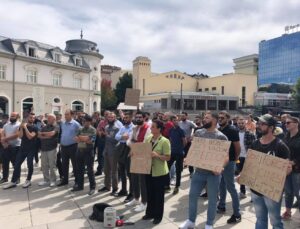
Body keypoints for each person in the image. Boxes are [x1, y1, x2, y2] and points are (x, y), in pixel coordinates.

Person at [240, 114, 291, 229]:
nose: (259, 126)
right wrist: (242, 174)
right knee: (260, 219)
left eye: (263, 124)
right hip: (256, 190)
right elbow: (249, 164)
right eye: (258, 123)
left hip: (271, 192)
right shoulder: (255, 143)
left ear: (271, 127)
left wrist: (287, 170)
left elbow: (286, 169)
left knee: (275, 222)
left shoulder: (281, 146)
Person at [179, 111, 228, 229]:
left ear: (215, 120)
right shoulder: (199, 132)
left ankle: (209, 224)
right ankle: (191, 221)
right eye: (204, 117)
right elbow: (194, 149)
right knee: (192, 196)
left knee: (212, 199)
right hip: (199, 172)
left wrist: (220, 167)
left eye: (207, 118)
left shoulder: (221, 137)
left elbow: (226, 157)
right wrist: (188, 158)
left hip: (213, 175)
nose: (204, 119)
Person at [142, 119, 171, 225]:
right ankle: (150, 213)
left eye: (153, 127)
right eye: (151, 126)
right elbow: (143, 150)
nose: (151, 128)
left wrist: (157, 155)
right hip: (148, 170)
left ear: (159, 129)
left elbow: (168, 157)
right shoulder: (149, 138)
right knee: (149, 193)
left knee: (158, 195)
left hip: (159, 173)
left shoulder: (165, 141)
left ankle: (158, 216)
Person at [217, 111, 242, 224]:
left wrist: (235, 160)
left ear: (227, 118)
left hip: (230, 161)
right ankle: (222, 205)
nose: (220, 119)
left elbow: (237, 147)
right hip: (220, 161)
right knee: (221, 184)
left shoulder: (232, 130)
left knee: (231, 187)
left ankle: (237, 214)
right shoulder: (219, 130)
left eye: (222, 117)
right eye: (219, 117)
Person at [3, 113, 38, 189]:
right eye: (30, 117)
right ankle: (13, 181)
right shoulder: (21, 126)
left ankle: (28, 180)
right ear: (27, 118)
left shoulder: (35, 127)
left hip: (31, 149)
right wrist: (21, 128)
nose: (32, 119)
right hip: (22, 148)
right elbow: (20, 136)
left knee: (29, 165)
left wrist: (25, 128)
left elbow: (30, 137)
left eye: (33, 118)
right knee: (17, 164)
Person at [126, 111, 151, 212]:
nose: (138, 119)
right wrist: (134, 143)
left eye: (140, 117)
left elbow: (145, 143)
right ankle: (136, 198)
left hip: (143, 157)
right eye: (137, 117)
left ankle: (144, 202)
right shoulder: (134, 128)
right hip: (134, 155)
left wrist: (134, 143)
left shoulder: (148, 128)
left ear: (144, 118)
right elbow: (128, 141)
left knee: (143, 181)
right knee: (134, 178)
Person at [282, 115, 300, 220]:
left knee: (297, 192)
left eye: (288, 123)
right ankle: (288, 212)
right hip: (286, 169)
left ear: (296, 124)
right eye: (285, 123)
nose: (286, 124)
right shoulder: (286, 136)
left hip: (297, 169)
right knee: (288, 192)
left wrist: (294, 162)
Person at [73, 115, 97, 195]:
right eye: (83, 121)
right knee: (79, 169)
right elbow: (75, 139)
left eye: (85, 121)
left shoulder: (93, 130)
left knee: (90, 170)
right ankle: (80, 186)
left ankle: (92, 187)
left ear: (89, 122)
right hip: (79, 151)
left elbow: (91, 141)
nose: (84, 122)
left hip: (88, 152)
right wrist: (85, 138)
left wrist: (81, 138)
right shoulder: (80, 129)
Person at [98, 112, 121, 195]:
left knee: (114, 171)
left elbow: (117, 140)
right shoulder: (107, 126)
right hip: (107, 150)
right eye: (109, 117)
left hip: (114, 151)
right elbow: (106, 139)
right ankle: (107, 186)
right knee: (106, 170)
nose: (110, 118)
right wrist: (103, 135)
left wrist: (106, 135)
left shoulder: (117, 128)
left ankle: (115, 188)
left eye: (112, 117)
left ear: (115, 118)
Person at [57, 109, 81, 187]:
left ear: (72, 115)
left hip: (73, 147)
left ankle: (77, 181)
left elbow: (80, 134)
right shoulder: (63, 124)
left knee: (75, 165)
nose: (65, 116)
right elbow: (61, 133)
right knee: (64, 164)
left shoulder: (76, 124)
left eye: (67, 114)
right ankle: (65, 180)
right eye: (65, 114)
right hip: (63, 147)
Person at [114, 112, 134, 202]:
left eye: (127, 118)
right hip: (121, 148)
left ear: (131, 118)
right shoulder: (122, 127)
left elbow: (130, 138)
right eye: (124, 118)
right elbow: (116, 137)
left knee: (129, 173)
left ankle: (132, 193)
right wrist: (123, 136)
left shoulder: (133, 128)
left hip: (129, 149)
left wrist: (124, 137)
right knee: (121, 170)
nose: (125, 119)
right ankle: (123, 190)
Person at [166, 115, 186, 195]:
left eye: (177, 120)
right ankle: (167, 185)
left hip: (180, 153)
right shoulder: (170, 130)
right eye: (174, 120)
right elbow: (170, 140)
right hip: (172, 152)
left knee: (178, 170)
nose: (176, 121)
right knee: (167, 167)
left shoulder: (181, 130)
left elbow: (184, 141)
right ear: (171, 121)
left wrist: (180, 148)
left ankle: (177, 186)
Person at [236, 116, 256, 198]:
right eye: (239, 123)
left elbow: (254, 146)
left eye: (242, 123)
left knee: (250, 175)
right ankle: (242, 192)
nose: (241, 124)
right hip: (239, 157)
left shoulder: (250, 133)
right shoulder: (235, 133)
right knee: (241, 174)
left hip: (248, 157)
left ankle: (253, 194)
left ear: (245, 123)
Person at [38, 114, 60, 187]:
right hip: (43, 148)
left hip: (52, 148)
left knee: (52, 165)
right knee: (44, 165)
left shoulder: (56, 127)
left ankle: (53, 180)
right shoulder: (44, 127)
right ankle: (46, 180)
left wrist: (44, 134)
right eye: (48, 118)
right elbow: (39, 135)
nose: (48, 119)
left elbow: (51, 134)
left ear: (54, 119)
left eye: (50, 118)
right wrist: (47, 136)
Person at [0, 112, 21, 184]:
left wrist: (5, 139)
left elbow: (17, 135)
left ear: (17, 117)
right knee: (5, 163)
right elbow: (2, 134)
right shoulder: (6, 125)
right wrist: (4, 142)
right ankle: (5, 178)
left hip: (16, 147)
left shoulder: (19, 125)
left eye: (13, 116)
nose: (11, 117)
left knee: (15, 164)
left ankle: (17, 178)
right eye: (11, 116)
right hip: (6, 147)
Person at [179, 112, 197, 178]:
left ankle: (191, 172)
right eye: (181, 116)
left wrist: (192, 136)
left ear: (186, 116)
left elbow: (197, 128)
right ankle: (179, 171)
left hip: (188, 142)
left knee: (189, 157)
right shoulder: (179, 123)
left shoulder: (190, 123)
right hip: (181, 142)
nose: (182, 117)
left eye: (183, 116)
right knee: (180, 157)